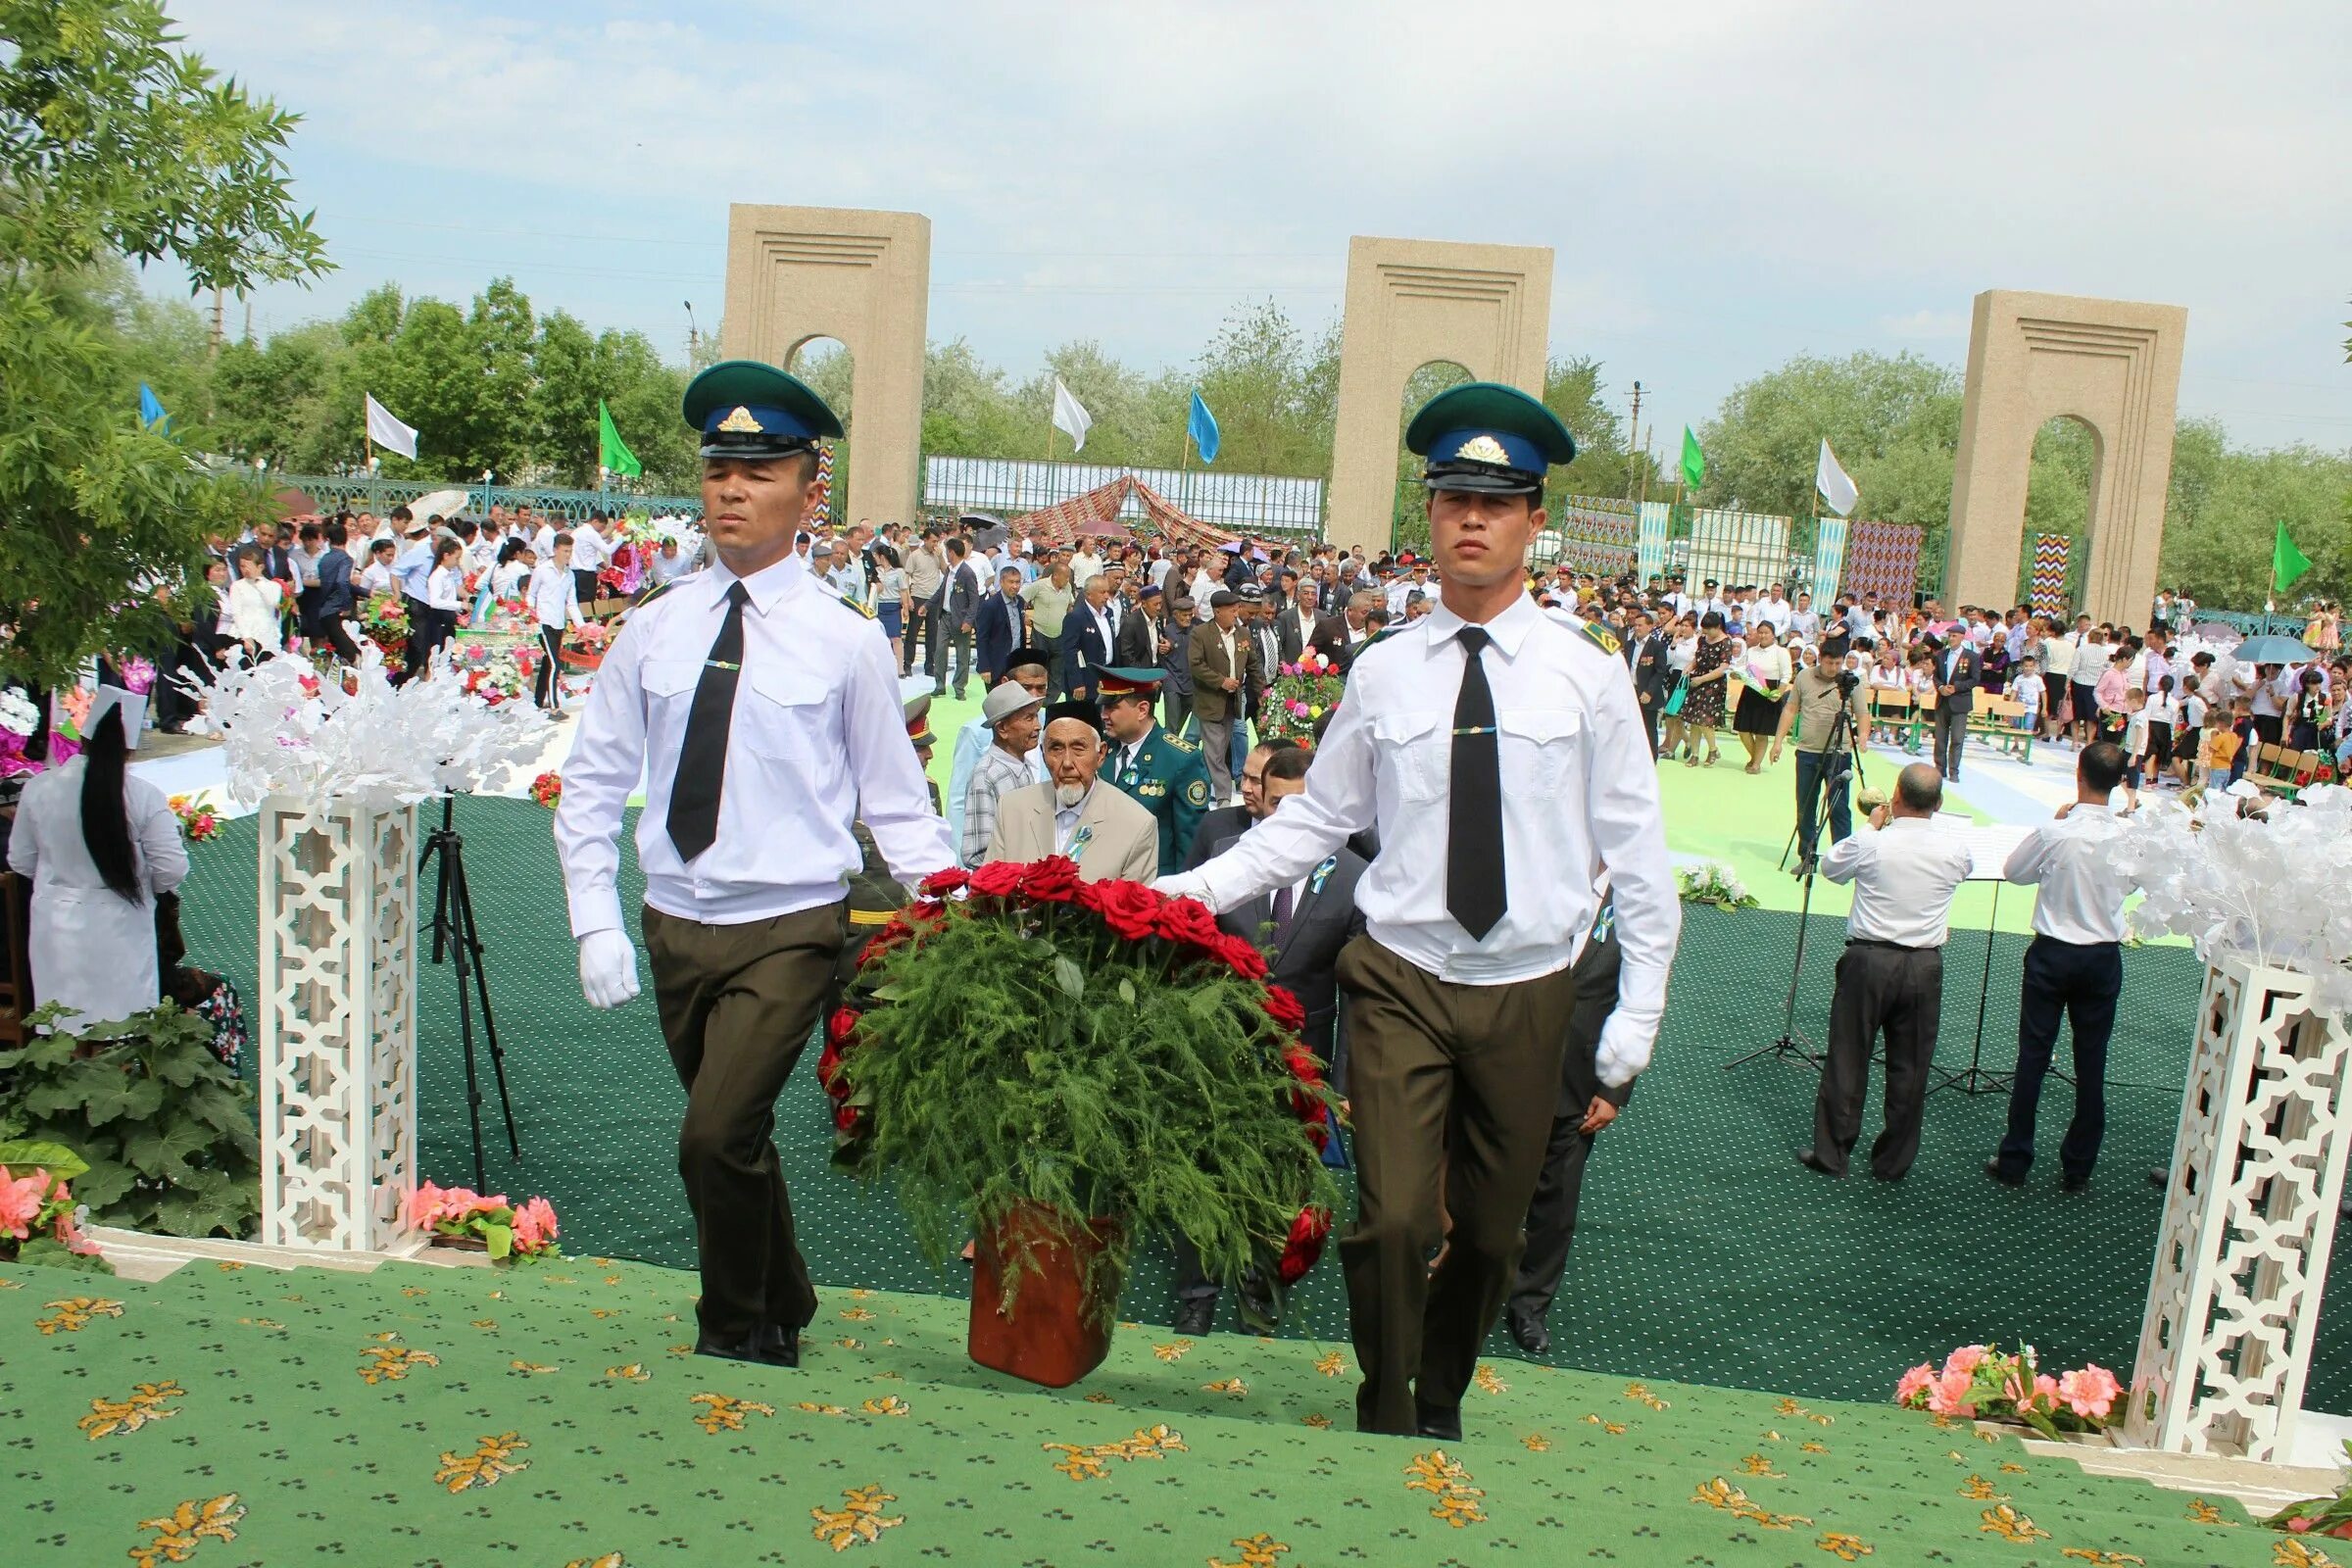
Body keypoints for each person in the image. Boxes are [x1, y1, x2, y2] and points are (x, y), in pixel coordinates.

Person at [1154, 382, 1677, 1443]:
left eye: (1498, 502)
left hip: (1529, 989)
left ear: (1536, 520)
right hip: (1397, 978)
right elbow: (1315, 824)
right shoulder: (1385, 673)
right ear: (1428, 516)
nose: (1471, 520)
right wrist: (1182, 891)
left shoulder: (1588, 677)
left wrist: (1636, 1022)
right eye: (1451, 500)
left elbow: (1639, 857)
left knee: (1490, 1235)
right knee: (1391, 1217)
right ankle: (1389, 1398)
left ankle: (1440, 1384)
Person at [555, 359, 956, 1368]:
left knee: (711, 1136)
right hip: (676, 920)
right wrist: (596, 919)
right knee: (728, 1134)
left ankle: (736, 1330)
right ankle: (786, 1290)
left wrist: (957, 903)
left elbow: (896, 802)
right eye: (719, 470)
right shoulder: (653, 627)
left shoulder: (846, 641)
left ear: (809, 491)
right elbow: (595, 781)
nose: (733, 490)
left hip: (791, 924)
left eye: (762, 470)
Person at [1169, 744, 1367, 1335]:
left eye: (1303, 808)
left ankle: (1261, 1288)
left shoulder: (1355, 878)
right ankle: (1197, 1294)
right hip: (1216, 1049)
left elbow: (1358, 994)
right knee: (1201, 1169)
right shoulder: (1223, 864)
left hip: (1300, 1061)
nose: (1288, 820)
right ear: (1261, 801)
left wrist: (1345, 1083)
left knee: (1281, 1179)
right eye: (1278, 804)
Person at [1797, 763, 1973, 1182]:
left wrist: (1871, 829)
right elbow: (1961, 870)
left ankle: (1833, 1153)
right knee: (1911, 1066)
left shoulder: (1873, 843)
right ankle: (1893, 1162)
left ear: (1894, 797)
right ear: (1940, 804)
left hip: (1869, 960)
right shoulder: (1954, 849)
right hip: (1923, 964)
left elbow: (1831, 869)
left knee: (1848, 1056)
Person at [1986, 744, 2132, 1192]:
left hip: (2053, 952)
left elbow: (2014, 871)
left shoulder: (2056, 831)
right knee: (2092, 1062)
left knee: (2033, 1055)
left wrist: (2056, 824)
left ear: (2079, 775)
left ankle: (2016, 1158)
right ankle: (2079, 1165)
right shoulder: (2129, 837)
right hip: (2101, 954)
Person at [6, 706, 188, 1035]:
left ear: (83, 738)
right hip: (122, 925)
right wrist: (145, 887)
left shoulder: (39, 788)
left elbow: (21, 860)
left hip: (54, 924)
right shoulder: (143, 795)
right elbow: (171, 869)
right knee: (122, 1030)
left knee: (61, 1026)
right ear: (130, 750)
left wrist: (60, 881)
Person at [1504, 885, 1628, 1356]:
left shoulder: (1635, 896)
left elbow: (1637, 997)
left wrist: (1614, 1087)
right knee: (1481, 1176)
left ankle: (1529, 1303)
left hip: (1578, 1080)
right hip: (1503, 1060)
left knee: (1555, 1200)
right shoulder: (1540, 862)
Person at [983, 701, 1158, 882]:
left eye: (1078, 748)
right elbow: (988, 892)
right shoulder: (1012, 809)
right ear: (1043, 755)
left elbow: (1136, 906)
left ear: (1101, 755)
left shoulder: (1136, 824)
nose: (1067, 763)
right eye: (1056, 749)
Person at [1097, 666, 1211, 874]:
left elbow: (1191, 841)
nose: (1104, 715)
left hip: (1153, 885)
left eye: (1111, 707)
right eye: (1103, 707)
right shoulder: (1102, 751)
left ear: (1142, 710)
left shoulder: (1180, 758)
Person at [1771, 651, 1871, 875]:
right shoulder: (1804, 677)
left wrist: (1863, 735)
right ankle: (1807, 856)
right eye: (1829, 662)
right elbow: (1790, 708)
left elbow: (1863, 713)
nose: (1833, 667)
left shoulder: (1850, 683)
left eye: (1838, 662)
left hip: (1840, 750)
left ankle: (1841, 860)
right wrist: (1778, 741)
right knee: (1805, 805)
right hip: (1807, 750)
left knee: (1838, 806)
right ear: (1821, 659)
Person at [960, 680, 1047, 868]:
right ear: (1002, 729)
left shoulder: (1020, 766)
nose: (1038, 726)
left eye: (1037, 717)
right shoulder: (987, 776)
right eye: (1029, 718)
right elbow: (977, 853)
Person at [1187, 589, 1259, 806]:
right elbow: (1196, 665)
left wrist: (1262, 690)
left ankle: (1199, 785)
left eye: (1237, 609)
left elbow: (1253, 664)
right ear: (1218, 611)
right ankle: (1223, 798)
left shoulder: (1243, 634)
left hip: (1233, 702)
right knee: (1215, 752)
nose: (1236, 614)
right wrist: (1221, 681)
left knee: (1217, 749)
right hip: (1210, 702)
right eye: (1232, 610)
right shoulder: (1200, 633)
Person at [529, 533, 585, 716]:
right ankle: (555, 706)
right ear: (555, 550)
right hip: (543, 621)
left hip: (558, 622)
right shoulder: (542, 570)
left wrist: (581, 625)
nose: (568, 555)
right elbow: (531, 594)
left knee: (548, 663)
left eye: (570, 551)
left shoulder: (570, 575)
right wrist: (530, 615)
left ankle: (538, 701)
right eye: (565, 551)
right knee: (555, 664)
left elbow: (572, 603)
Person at [1730, 619, 1790, 773]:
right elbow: (1743, 668)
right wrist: (1737, 674)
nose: (1763, 635)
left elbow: (1786, 675)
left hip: (1769, 691)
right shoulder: (1751, 651)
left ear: (1773, 635)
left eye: (1766, 633)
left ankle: (1756, 764)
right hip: (1751, 690)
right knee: (1743, 729)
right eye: (1760, 632)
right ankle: (1755, 756)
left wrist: (1779, 693)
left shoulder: (1781, 652)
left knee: (1761, 732)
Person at [1678, 611, 1733, 766]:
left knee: (1704, 720)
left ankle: (1713, 749)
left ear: (1718, 627)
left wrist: (1702, 679)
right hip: (1697, 680)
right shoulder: (1703, 639)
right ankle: (1695, 755)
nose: (1706, 632)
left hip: (1713, 684)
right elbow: (1698, 658)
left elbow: (1723, 667)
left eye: (1709, 629)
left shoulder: (1725, 642)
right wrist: (1690, 667)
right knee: (1694, 721)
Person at [1924, 633, 1981, 782]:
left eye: (1954, 635)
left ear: (1962, 637)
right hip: (1943, 700)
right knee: (1940, 738)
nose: (1951, 638)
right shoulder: (1941, 654)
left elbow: (1975, 679)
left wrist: (1957, 687)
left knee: (1957, 738)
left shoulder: (1972, 657)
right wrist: (1941, 687)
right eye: (1949, 635)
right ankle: (1939, 768)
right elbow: (1935, 676)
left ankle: (1954, 770)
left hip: (1960, 701)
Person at [1060, 572, 1118, 704]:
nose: (1106, 596)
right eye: (1102, 592)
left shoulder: (1109, 613)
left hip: (1106, 678)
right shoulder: (1075, 617)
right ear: (1088, 594)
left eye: (1107, 592)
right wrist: (1077, 683)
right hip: (1085, 682)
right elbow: (1070, 652)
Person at [973, 564, 1028, 692]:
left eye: (1018, 582)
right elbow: (982, 638)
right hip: (995, 666)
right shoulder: (990, 606)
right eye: (1011, 582)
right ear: (1001, 582)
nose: (1015, 586)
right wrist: (984, 667)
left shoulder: (1020, 601)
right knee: (998, 707)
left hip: (1016, 664)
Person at [225, 544, 284, 662]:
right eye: (242, 566)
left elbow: (272, 601)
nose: (245, 570)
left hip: (267, 634)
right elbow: (237, 613)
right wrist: (247, 636)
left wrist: (258, 581)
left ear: (260, 567)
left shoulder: (274, 586)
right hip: (245, 634)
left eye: (248, 566)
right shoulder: (237, 586)